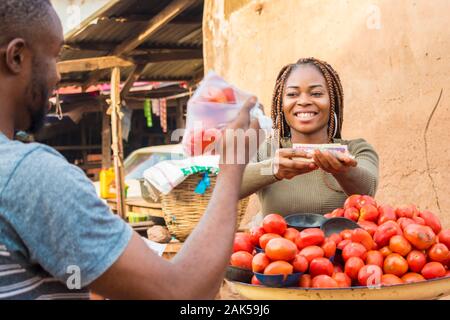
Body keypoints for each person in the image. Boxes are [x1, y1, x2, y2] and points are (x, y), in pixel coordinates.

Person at [0, 0, 259, 300]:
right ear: (17, 56)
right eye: (54, 56)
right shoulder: (30, 176)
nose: (57, 76)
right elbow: (182, 293)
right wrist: (232, 167)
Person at [240, 58, 379, 216]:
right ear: (281, 103)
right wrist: (272, 169)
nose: (304, 101)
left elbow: (368, 191)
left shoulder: (356, 149)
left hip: (341, 240)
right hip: (276, 241)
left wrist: (343, 172)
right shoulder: (266, 150)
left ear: (332, 101)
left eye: (316, 93)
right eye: (292, 94)